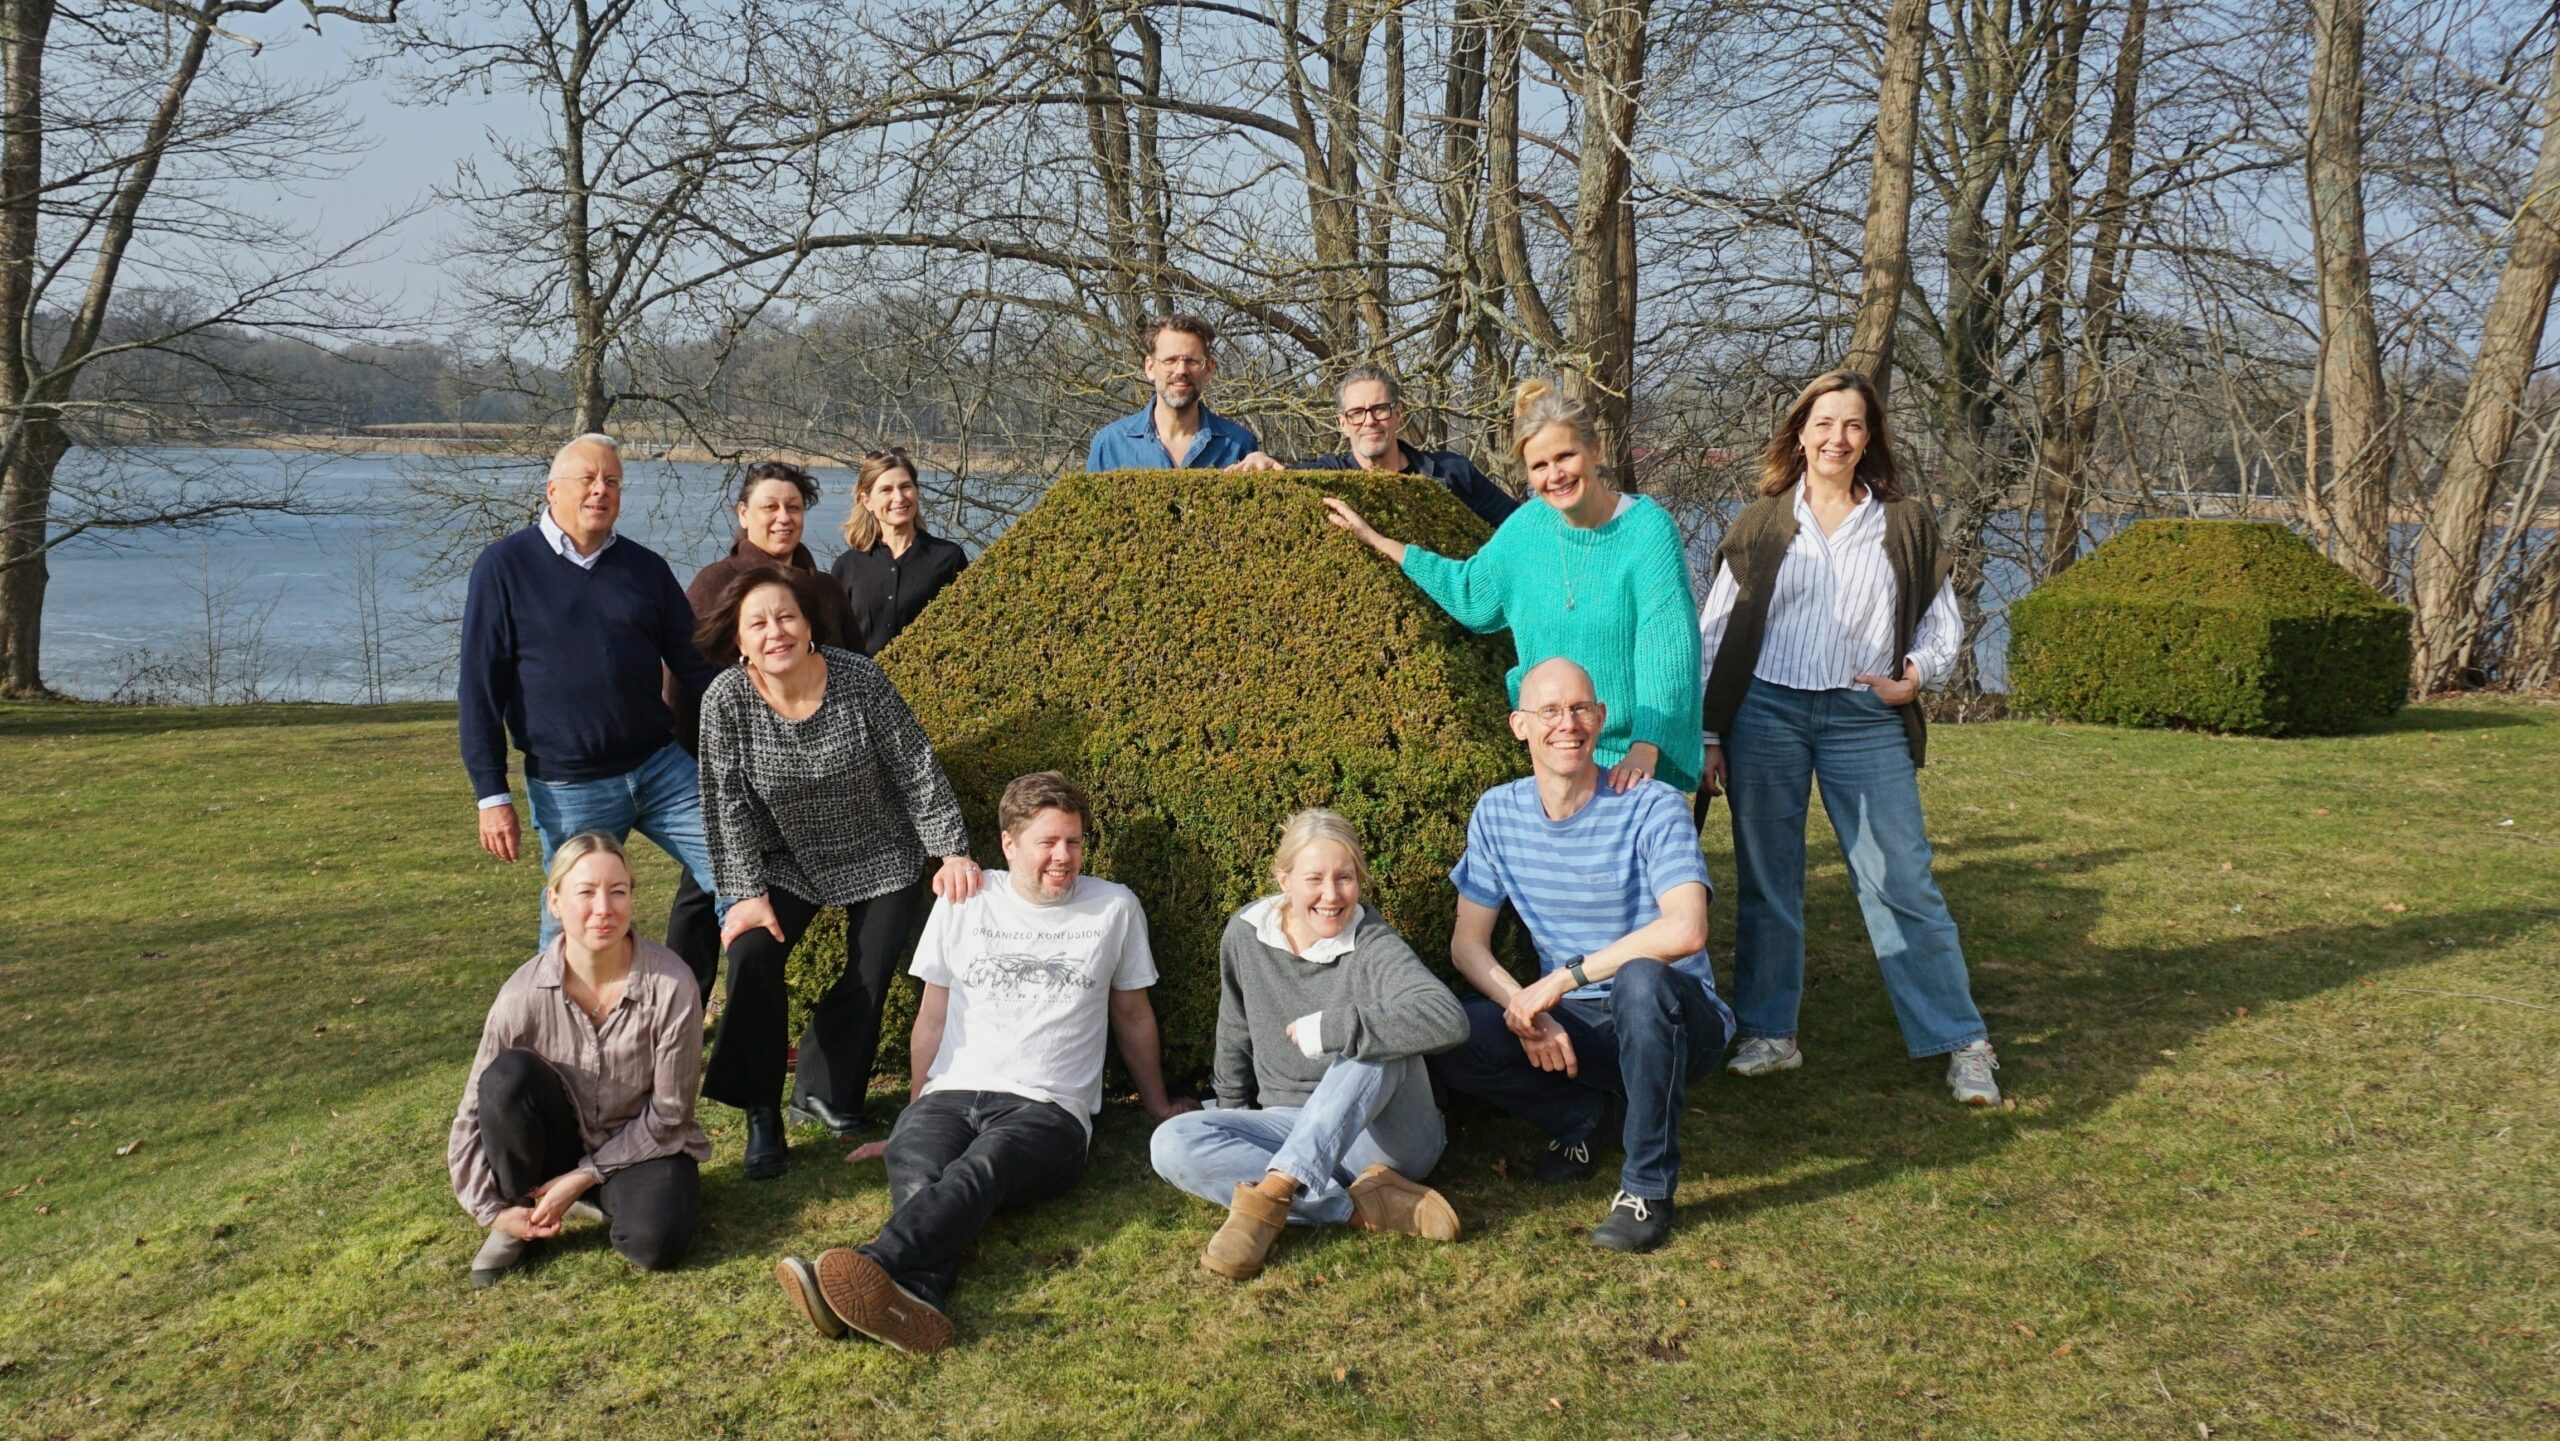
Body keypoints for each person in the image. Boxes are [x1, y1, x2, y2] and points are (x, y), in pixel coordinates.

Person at [774, 772, 1194, 1354]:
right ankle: (915, 1296)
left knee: (983, 1166)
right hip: (950, 1093)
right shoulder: (964, 899)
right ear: (1008, 844)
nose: (1063, 857)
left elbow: (1132, 1015)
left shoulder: (1114, 907)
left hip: (1049, 1110)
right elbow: (931, 1018)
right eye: (1048, 842)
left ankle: (873, 1263)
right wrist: (911, 1116)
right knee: (918, 1166)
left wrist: (1158, 1103)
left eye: (1073, 842)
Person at [1697, 370, 2000, 1106]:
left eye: (1853, 425)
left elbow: (1941, 624)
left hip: (1864, 717)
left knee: (1900, 879)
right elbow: (1714, 632)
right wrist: (1709, 732)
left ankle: (1963, 1041)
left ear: (1870, 439)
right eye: (1824, 423)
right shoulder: (1761, 521)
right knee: (1769, 884)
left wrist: (1915, 677)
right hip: (1764, 713)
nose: (1837, 437)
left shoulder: (1904, 522)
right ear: (1800, 433)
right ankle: (1770, 1033)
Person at [1427, 658, 1731, 1254]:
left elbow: (1687, 929)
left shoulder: (1653, 805)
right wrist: (1523, 1008)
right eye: (1549, 711)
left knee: (1642, 981)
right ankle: (1585, 1118)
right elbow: (1467, 944)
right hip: (1575, 1023)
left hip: (1674, 1020)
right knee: (1450, 1030)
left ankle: (1646, 1190)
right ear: (1519, 725)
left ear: (1601, 717)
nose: (1567, 724)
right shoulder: (1497, 813)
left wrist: (1561, 981)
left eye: (1580, 709)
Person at [695, 563, 980, 1179]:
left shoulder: (858, 678)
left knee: (871, 969)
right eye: (757, 624)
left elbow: (914, 765)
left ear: (809, 625)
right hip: (786, 858)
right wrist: (745, 893)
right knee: (751, 957)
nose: (775, 632)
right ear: (739, 640)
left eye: (786, 617)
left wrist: (951, 849)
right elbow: (725, 803)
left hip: (879, 849)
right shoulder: (725, 700)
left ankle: (823, 1090)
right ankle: (762, 1114)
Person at [1322, 378, 1704, 793]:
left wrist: (1645, 748)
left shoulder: (1648, 532)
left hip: (1627, 767)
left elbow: (1668, 654)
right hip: (1552, 758)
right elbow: (1471, 592)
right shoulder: (1527, 528)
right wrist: (1380, 541)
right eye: (1539, 466)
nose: (1555, 475)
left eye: (1566, 456)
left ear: (1595, 450)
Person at [1150, 809, 1469, 1279]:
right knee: (1170, 1142)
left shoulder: (1372, 942)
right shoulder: (1246, 934)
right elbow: (1234, 1028)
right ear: (1284, 879)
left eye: (1345, 878)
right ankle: (1354, 1208)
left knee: (1374, 1044)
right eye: (1314, 878)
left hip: (1382, 1142)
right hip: (1288, 1123)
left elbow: (1449, 1017)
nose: (1331, 895)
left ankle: (1274, 1193)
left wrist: (1335, 1029)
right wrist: (1234, 1113)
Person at [459, 433, 721, 985]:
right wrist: (492, 795)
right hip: (570, 786)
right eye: (588, 478)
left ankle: (737, 1017)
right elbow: (479, 688)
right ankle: (550, 1032)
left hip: (661, 770)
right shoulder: (503, 567)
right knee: (574, 928)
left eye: (612, 481)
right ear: (552, 489)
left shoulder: (646, 569)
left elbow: (695, 663)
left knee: (741, 874)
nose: (601, 490)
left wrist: (775, 706)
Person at [447, 832, 709, 1288]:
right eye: (586, 892)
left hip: (642, 1147)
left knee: (656, 1242)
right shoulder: (521, 994)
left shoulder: (672, 986)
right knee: (506, 1077)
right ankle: (523, 1214)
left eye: (618, 891)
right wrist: (490, 1211)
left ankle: (587, 1197)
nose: (603, 909)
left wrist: (585, 1175)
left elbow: (670, 1115)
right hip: (556, 1142)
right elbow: (473, 1110)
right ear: (555, 901)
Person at [664, 459, 865, 981]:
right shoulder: (715, 585)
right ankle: (683, 1001)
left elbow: (857, 671)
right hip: (733, 777)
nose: (783, 518)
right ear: (743, 514)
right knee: (704, 891)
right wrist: (706, 768)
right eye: (770, 506)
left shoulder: (824, 589)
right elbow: (682, 689)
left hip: (818, 780)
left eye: (793, 507)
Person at [1297, 364, 1519, 529]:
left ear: (1398, 414)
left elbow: (1520, 525)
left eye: (1380, 409)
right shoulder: (1331, 477)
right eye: (1356, 413)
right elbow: (1284, 473)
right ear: (1342, 424)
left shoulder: (1452, 472)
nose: (1369, 421)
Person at [1085, 313, 1284, 473]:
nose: (1181, 370)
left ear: (1209, 369)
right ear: (1150, 367)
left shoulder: (1239, 445)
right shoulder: (1110, 445)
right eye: (1170, 360)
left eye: (1192, 361)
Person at [828, 449, 970, 657]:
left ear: (917, 491)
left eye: (905, 487)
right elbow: (835, 645)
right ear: (867, 501)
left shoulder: (948, 558)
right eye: (886, 490)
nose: (899, 497)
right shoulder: (847, 567)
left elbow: (965, 630)